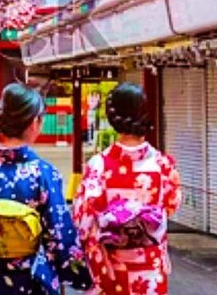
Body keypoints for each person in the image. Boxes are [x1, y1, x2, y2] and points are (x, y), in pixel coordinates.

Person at [0, 83, 92, 295]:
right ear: (35, 122)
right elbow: (59, 233)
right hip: (29, 280)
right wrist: (81, 279)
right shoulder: (44, 173)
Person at [73, 83, 182, 295]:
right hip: (150, 269)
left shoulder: (99, 165)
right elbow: (171, 205)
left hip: (111, 267)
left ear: (112, 118)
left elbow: (83, 221)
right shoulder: (163, 165)